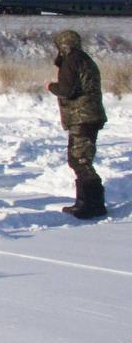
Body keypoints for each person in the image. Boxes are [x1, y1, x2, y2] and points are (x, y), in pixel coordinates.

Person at [47, 29, 107, 219]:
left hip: (82, 117)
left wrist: (50, 86)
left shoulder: (72, 61)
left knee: (80, 160)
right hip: (90, 116)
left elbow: (67, 90)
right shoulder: (85, 60)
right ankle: (84, 202)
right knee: (79, 159)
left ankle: (93, 204)